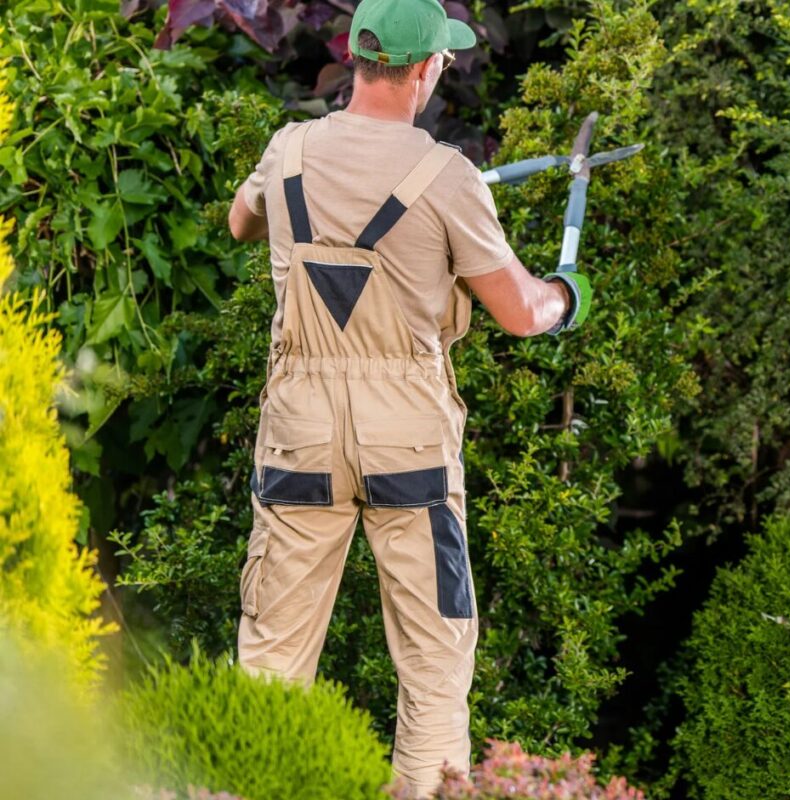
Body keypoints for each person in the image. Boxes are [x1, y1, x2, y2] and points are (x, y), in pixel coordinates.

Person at [225, 0, 588, 792]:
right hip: (409, 442)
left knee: (271, 659)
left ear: (359, 59)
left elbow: (240, 224)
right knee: (433, 666)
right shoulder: (448, 178)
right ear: (425, 68)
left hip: (299, 432)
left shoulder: (287, 151)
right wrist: (567, 295)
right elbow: (521, 313)